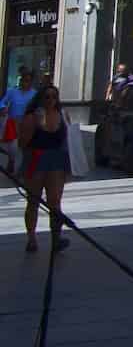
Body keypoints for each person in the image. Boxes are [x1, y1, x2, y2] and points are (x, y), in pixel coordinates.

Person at [17, 84, 80, 253]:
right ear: (40, 99)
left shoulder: (63, 115)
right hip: (36, 160)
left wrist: (70, 165)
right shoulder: (31, 117)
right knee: (33, 201)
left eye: (54, 97)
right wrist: (36, 124)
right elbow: (22, 143)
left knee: (55, 203)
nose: (51, 100)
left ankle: (56, 239)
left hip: (56, 162)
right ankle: (31, 239)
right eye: (47, 97)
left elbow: (69, 141)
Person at [2, 68, 36, 178]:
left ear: (31, 82)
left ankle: (22, 169)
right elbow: (2, 102)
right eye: (24, 80)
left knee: (25, 146)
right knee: (12, 146)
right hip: (13, 122)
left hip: (28, 123)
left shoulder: (34, 94)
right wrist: (3, 108)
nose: (26, 83)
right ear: (20, 80)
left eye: (28, 81)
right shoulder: (12, 91)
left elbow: (38, 107)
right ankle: (11, 160)